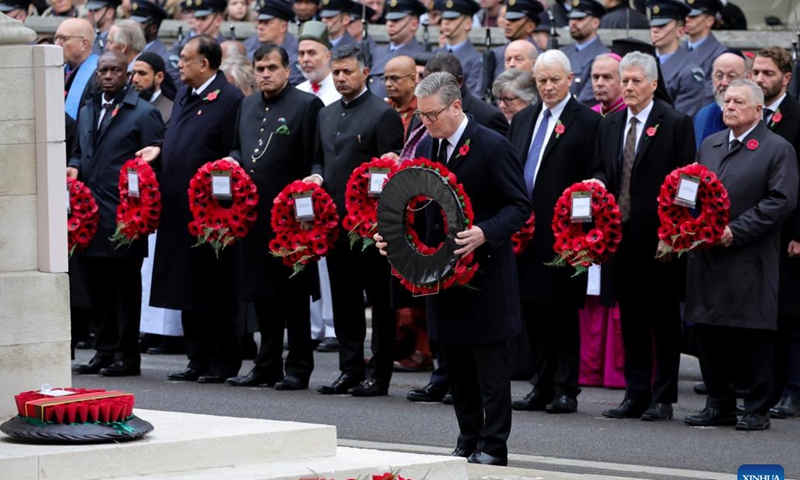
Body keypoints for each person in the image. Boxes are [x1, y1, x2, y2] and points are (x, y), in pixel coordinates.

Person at [376, 71, 530, 465]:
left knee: (490, 371)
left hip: (485, 274)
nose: (425, 124)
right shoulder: (430, 146)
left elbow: (519, 206)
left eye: (431, 116)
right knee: (456, 367)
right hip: (443, 275)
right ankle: (468, 437)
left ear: (456, 106)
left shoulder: (492, 145)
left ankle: (494, 446)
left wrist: (484, 233)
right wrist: (394, 238)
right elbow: (418, 203)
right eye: (421, 117)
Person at [684, 79, 799, 431]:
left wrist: (738, 230)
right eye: (726, 101)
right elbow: (691, 191)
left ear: (758, 110)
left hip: (749, 256)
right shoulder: (711, 144)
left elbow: (781, 201)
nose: (729, 106)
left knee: (752, 334)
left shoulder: (776, 149)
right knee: (709, 331)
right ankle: (719, 403)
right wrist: (681, 225)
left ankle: (756, 408)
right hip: (707, 255)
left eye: (737, 101)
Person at [591, 52, 696, 422]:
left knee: (663, 319)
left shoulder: (676, 122)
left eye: (637, 81)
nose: (630, 87)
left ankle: (663, 397)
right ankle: (635, 393)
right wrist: (596, 184)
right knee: (630, 319)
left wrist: (676, 232)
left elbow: (688, 180)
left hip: (660, 239)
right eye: (626, 80)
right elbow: (604, 169)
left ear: (653, 84)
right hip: (620, 237)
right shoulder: (610, 123)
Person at [137, 35, 245, 384]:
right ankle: (197, 358)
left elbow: (234, 150)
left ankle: (224, 360)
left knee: (214, 287)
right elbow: (173, 134)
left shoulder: (229, 98)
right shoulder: (184, 92)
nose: (179, 65)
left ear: (205, 63)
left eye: (185, 59)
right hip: (177, 208)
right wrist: (157, 148)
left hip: (211, 213)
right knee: (185, 285)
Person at [223, 44, 324, 390]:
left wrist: (314, 181)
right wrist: (232, 163)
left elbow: (315, 156)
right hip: (252, 214)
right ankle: (266, 364)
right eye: (260, 68)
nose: (265, 73)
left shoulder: (306, 105)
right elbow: (238, 146)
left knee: (293, 292)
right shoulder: (247, 104)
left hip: (291, 215)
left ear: (287, 69)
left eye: (272, 67)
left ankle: (298, 366)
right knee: (261, 291)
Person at [307, 45, 404, 397]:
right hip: (336, 221)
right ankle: (349, 368)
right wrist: (316, 178)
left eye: (348, 71)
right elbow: (319, 159)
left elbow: (389, 170)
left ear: (366, 73)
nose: (341, 78)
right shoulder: (326, 114)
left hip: (372, 226)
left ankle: (379, 373)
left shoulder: (382, 114)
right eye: (336, 72)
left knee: (380, 301)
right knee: (345, 299)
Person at [508, 50, 600, 415]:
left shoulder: (588, 122)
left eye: (554, 80)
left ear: (571, 78)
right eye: (541, 80)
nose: (547, 87)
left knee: (562, 313)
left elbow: (596, 172)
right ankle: (541, 385)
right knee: (534, 312)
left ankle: (566, 388)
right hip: (526, 232)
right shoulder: (525, 118)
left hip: (564, 234)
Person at [68, 51, 165, 377]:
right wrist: (74, 168)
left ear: (127, 75)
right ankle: (104, 350)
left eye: (115, 70)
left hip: (125, 216)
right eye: (103, 70)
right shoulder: (87, 109)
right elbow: (81, 153)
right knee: (98, 287)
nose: (108, 76)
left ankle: (127, 355)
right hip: (90, 215)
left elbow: (155, 164)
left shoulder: (144, 113)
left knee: (124, 289)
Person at [750, 47, 800, 420]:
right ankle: (761, 386)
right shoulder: (749, 114)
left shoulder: (796, 116)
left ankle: (792, 389)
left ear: (786, 78)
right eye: (756, 72)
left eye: (767, 73)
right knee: (762, 312)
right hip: (754, 229)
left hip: (787, 232)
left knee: (789, 314)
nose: (759, 79)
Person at [294, 21, 340, 352]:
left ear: (329, 55)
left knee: (329, 263)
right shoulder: (296, 92)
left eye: (312, 52)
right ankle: (311, 326)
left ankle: (333, 326)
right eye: (301, 53)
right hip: (304, 186)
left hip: (331, 186)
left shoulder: (339, 92)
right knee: (304, 254)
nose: (306, 59)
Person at [648, 0, 705, 117]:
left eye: (662, 25)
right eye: (653, 25)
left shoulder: (690, 73)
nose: (655, 30)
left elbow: (681, 120)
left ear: (680, 31)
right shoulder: (645, 64)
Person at [367, 0, 427, 99]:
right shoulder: (376, 52)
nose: (390, 24)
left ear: (414, 25)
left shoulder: (420, 56)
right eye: (388, 19)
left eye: (396, 20)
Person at [679, 0, 727, 108]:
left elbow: (708, 96)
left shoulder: (720, 55)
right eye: (685, 15)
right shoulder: (678, 50)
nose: (687, 19)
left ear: (709, 21)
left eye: (693, 16)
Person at [244, 0, 304, 85]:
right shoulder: (247, 46)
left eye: (267, 23)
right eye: (259, 22)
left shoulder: (299, 50)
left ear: (283, 27)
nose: (260, 27)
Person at [489, 0, 543, 93]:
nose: (507, 23)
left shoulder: (541, 57)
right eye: (506, 18)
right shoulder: (495, 54)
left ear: (530, 26)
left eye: (514, 19)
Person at [693, 51, 746, 146]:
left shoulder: (752, 115)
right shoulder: (703, 115)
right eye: (719, 76)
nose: (724, 82)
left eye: (731, 76)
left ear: (747, 78)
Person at [562, 0, 608, 106]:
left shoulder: (603, 57)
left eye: (580, 19)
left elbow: (586, 100)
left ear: (595, 23)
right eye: (571, 18)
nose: (573, 22)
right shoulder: (563, 53)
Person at [433, 0, 482, 97]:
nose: (446, 22)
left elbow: (473, 97)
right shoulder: (434, 53)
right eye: (444, 18)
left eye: (452, 18)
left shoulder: (476, 59)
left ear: (468, 23)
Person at [129, 0, 180, 93]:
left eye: (138, 25)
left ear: (154, 28)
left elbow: (173, 96)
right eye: (132, 25)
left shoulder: (167, 60)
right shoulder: (131, 52)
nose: (132, 29)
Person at [58, 18, 100, 122]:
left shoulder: (98, 75)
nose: (57, 44)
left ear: (84, 44)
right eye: (56, 39)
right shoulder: (60, 71)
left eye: (63, 39)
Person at [131, 52, 173, 125]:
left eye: (142, 73)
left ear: (159, 77)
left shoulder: (170, 111)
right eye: (133, 73)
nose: (135, 79)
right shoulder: (125, 106)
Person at [384, 55, 420, 136]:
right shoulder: (381, 109)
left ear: (412, 79)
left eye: (394, 78)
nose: (388, 84)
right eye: (386, 79)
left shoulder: (424, 111)